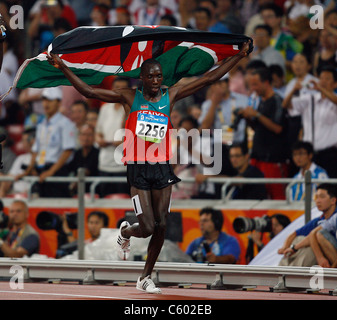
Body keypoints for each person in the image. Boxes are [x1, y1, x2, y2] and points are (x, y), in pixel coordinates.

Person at [47, 40, 251, 293]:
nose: (156, 80)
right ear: (141, 78)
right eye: (151, 76)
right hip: (137, 167)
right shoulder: (129, 96)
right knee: (147, 227)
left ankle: (145, 276)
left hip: (162, 167)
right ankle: (127, 231)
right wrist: (64, 67)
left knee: (162, 223)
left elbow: (208, 79)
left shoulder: (171, 95)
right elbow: (89, 92)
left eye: (159, 76)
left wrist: (239, 57)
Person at [239, 67, 289, 200]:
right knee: (258, 195)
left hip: (273, 161)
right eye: (251, 85)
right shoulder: (261, 101)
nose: (253, 88)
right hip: (258, 158)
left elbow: (278, 128)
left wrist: (257, 114)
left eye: (255, 84)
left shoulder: (277, 101)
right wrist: (249, 118)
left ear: (266, 82)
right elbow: (259, 128)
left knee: (277, 198)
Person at [18, 87, 77, 198]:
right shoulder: (42, 124)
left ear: (58, 102)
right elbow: (36, 150)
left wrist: (51, 171)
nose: (46, 104)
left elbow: (67, 151)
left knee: (57, 206)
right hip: (41, 170)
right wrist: (29, 170)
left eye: (50, 100)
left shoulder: (65, 124)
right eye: (44, 100)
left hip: (58, 171)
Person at [285, 65, 337, 178]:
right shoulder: (310, 99)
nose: (323, 81)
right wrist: (294, 89)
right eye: (321, 78)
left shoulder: (334, 101)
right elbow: (285, 105)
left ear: (335, 84)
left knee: (330, 188)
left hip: (330, 154)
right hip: (309, 154)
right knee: (309, 188)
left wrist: (320, 88)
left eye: (327, 78)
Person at [278, 183, 337, 267]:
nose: (318, 200)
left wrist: (319, 257)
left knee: (315, 240)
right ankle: (282, 272)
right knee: (299, 238)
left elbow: (315, 235)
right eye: (316, 197)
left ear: (333, 200)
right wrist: (286, 247)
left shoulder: (335, 217)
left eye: (322, 197)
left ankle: (294, 274)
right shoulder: (318, 220)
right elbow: (294, 234)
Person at [95, 77, 130, 198]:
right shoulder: (105, 108)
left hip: (123, 167)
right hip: (104, 163)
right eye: (116, 88)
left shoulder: (134, 110)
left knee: (123, 204)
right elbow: (98, 131)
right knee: (104, 203)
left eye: (123, 88)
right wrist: (99, 139)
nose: (119, 91)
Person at [0, 128, 36, 198]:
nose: (24, 143)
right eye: (23, 140)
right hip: (15, 193)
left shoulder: (43, 159)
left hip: (32, 195)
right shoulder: (21, 158)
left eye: (26, 140)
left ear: (33, 141)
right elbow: (9, 178)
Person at [67, 123, 99, 195]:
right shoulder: (76, 153)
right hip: (78, 192)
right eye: (83, 134)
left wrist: (73, 185)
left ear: (94, 137)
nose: (86, 138)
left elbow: (87, 171)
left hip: (94, 191)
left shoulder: (98, 153)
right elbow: (69, 168)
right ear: (79, 137)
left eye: (89, 135)